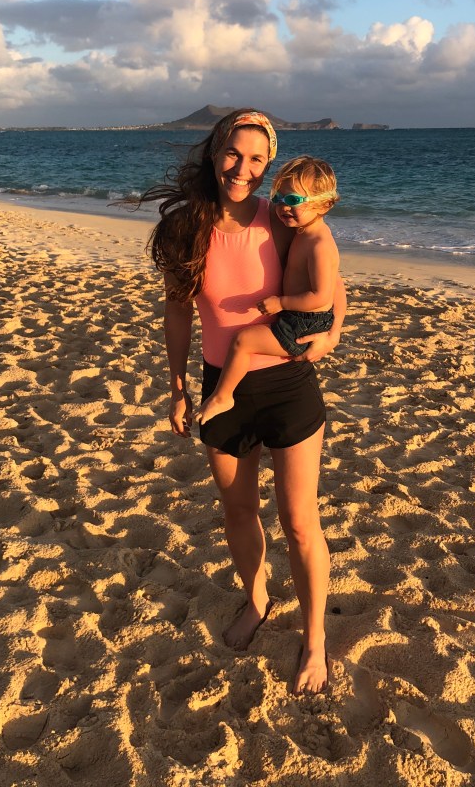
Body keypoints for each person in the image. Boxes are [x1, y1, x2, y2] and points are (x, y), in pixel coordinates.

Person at [141, 109, 345, 694]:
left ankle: (314, 639)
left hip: (287, 386)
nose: (243, 169)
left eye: (257, 159)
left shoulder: (280, 218)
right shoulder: (186, 228)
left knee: (300, 522)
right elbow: (177, 311)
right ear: (214, 152)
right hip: (220, 387)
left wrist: (332, 335)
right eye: (234, 153)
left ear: (269, 165)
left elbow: (332, 282)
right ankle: (256, 600)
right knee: (238, 511)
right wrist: (177, 386)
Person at [198, 156, 340, 426]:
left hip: (304, 322)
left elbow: (324, 294)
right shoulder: (302, 232)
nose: (283, 207)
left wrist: (281, 303)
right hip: (300, 318)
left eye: (293, 200)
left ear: (325, 204)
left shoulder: (319, 244)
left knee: (243, 341)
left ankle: (224, 396)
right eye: (278, 198)